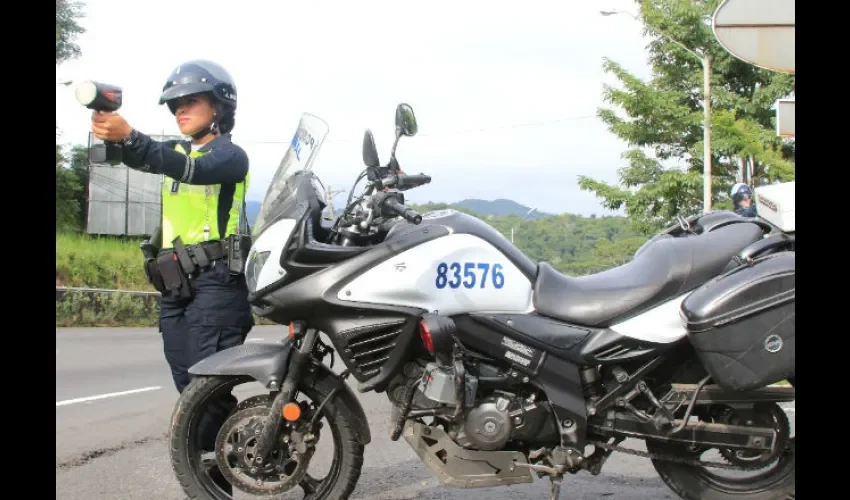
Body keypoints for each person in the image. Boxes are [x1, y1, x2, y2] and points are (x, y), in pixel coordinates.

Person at [90, 59, 253, 493]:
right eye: (175, 104)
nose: (180, 109)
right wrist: (108, 126)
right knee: (189, 390)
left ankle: (216, 486)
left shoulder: (229, 156)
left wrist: (133, 138)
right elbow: (150, 156)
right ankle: (218, 471)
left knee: (206, 391)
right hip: (176, 287)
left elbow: (187, 168)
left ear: (219, 105)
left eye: (191, 101)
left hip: (218, 285)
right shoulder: (177, 154)